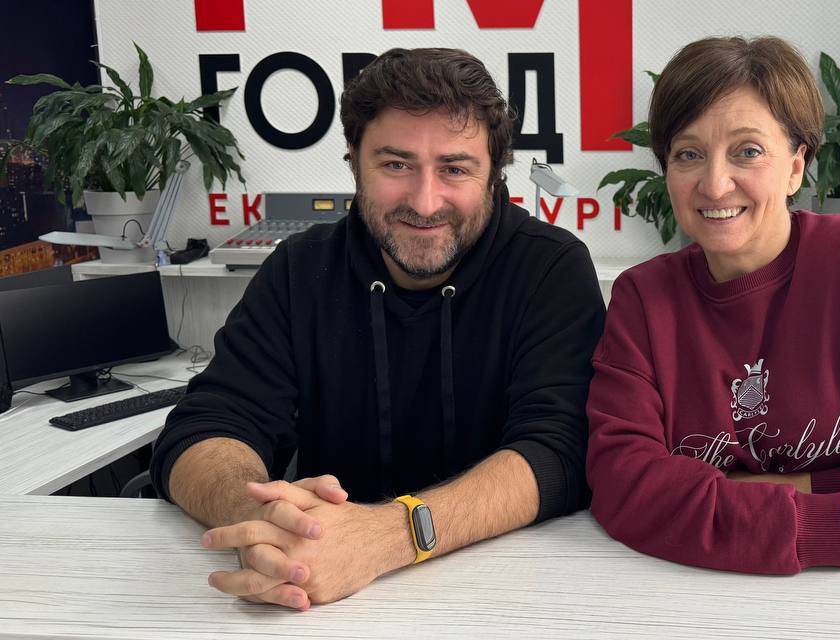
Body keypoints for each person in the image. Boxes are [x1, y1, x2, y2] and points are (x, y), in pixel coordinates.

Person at [151, 48, 605, 608]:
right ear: (354, 163)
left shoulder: (549, 267)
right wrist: (267, 520)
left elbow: (560, 450)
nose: (425, 202)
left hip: (505, 590)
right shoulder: (299, 269)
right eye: (395, 165)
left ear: (494, 175)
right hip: (320, 594)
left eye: (455, 168)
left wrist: (385, 537)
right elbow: (204, 427)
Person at [586, 36, 840, 574]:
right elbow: (624, 487)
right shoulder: (642, 299)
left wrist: (718, 495)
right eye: (688, 154)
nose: (715, 184)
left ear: (796, 167)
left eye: (747, 151)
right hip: (692, 588)